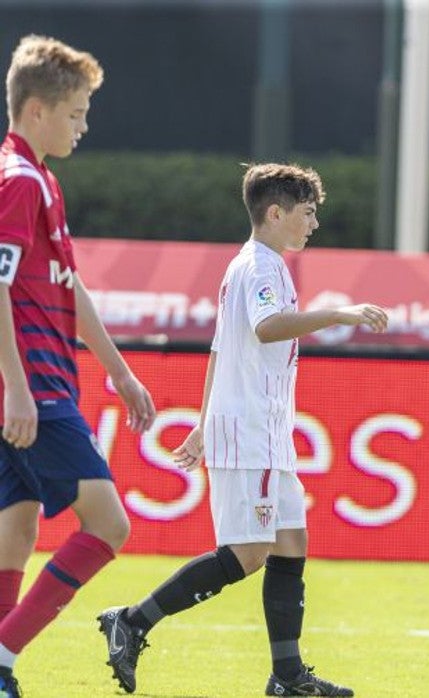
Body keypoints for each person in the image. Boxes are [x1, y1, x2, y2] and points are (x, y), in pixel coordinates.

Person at [97, 164, 387, 697]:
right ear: (275, 213)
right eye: (307, 213)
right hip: (251, 431)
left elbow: (219, 350)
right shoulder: (259, 266)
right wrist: (339, 313)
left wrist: (202, 423)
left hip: (266, 433)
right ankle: (132, 621)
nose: (314, 224)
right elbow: (266, 327)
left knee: (291, 543)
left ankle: (287, 676)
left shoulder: (257, 265)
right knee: (248, 553)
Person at [0, 35, 157, 698]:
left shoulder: (42, 180)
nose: (84, 126)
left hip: (35, 384)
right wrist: (17, 389)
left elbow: (70, 288)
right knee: (109, 524)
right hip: (33, 387)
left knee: (17, 529)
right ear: (37, 110)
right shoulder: (18, 181)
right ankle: (2, 655)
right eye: (76, 113)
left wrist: (119, 371)